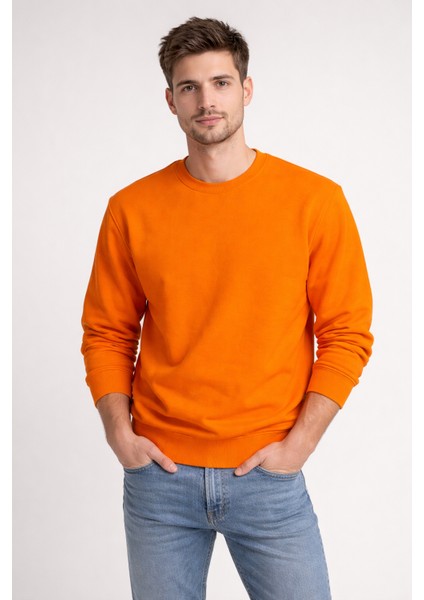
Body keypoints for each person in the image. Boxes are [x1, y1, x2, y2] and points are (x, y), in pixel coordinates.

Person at [81, 16, 373, 600]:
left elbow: (347, 333)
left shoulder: (314, 201)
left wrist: (299, 446)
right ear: (170, 100)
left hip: (268, 476)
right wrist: (121, 436)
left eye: (220, 83)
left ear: (247, 89)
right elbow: (107, 332)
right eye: (189, 87)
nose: (206, 101)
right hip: (159, 479)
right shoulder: (131, 209)